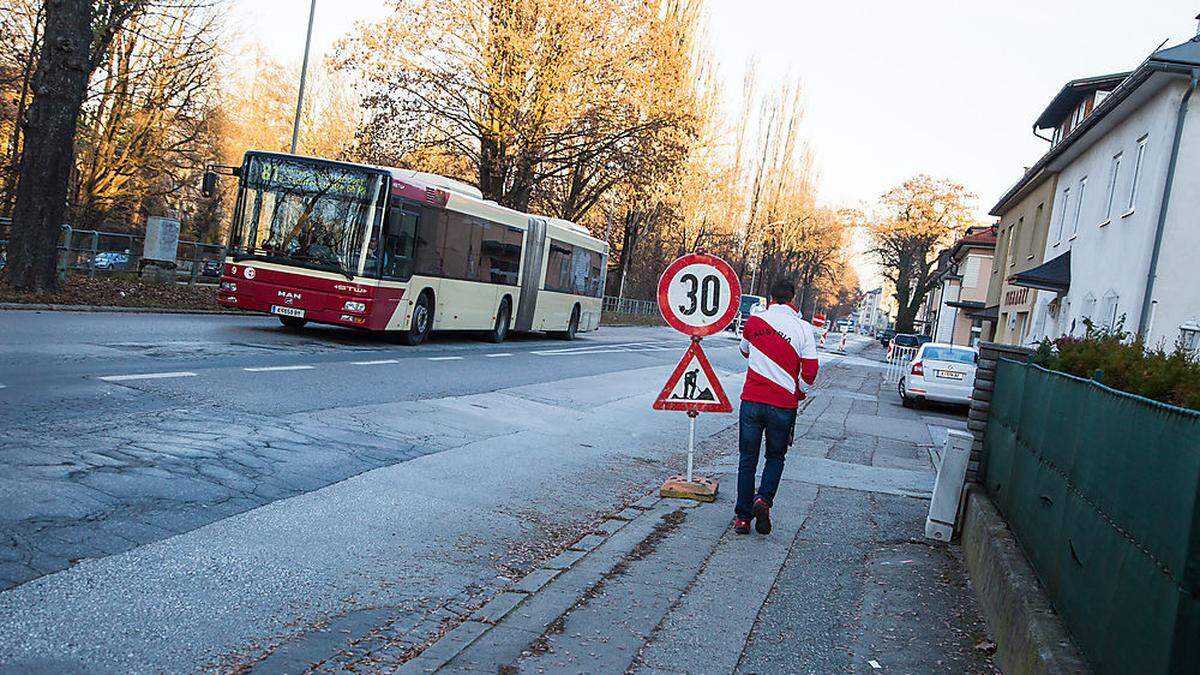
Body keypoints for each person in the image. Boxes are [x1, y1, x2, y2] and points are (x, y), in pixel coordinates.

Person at [733, 278, 819, 535]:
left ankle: (743, 518)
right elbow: (811, 370)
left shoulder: (755, 321)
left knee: (747, 459)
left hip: (752, 400)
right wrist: (800, 390)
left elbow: (744, 351)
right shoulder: (803, 328)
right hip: (782, 404)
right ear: (793, 298)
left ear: (771, 297)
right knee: (775, 457)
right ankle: (764, 499)